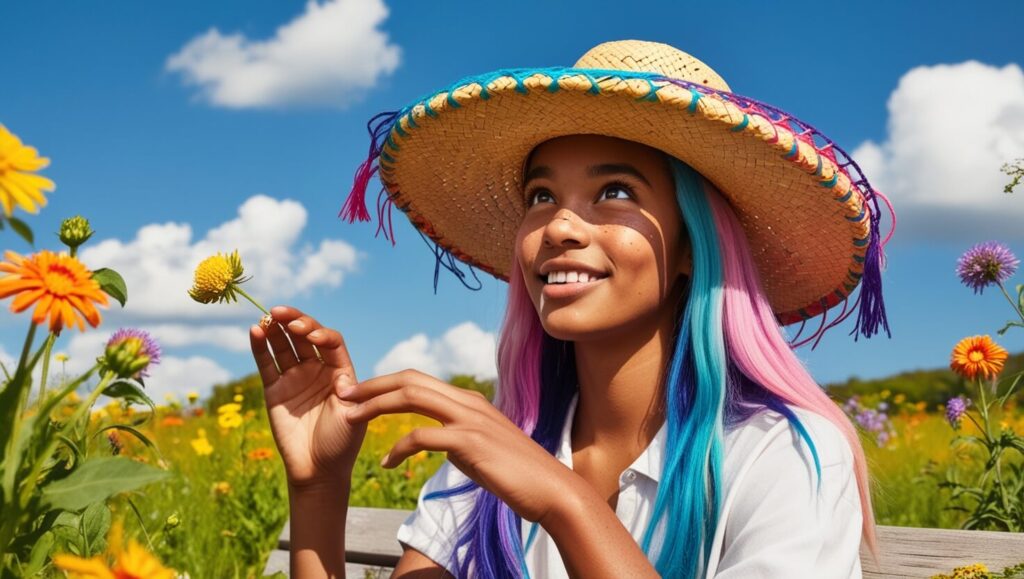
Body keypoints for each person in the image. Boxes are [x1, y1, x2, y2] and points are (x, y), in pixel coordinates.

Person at [249, 40, 893, 578]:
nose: (558, 226)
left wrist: (564, 502)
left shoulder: (783, 454)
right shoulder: (487, 456)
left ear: (693, 244)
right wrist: (319, 488)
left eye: (614, 191)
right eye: (540, 194)